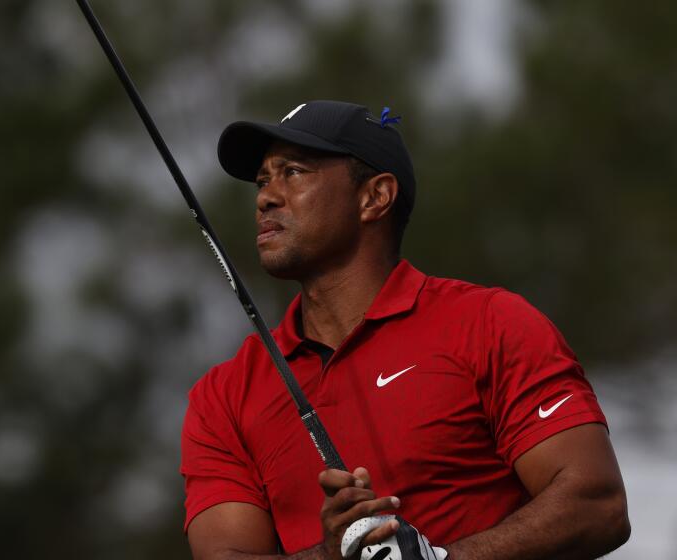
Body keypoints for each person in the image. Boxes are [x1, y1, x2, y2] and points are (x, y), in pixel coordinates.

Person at [180, 100, 630, 560]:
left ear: (375, 197)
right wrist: (332, 556)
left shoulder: (490, 323)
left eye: (293, 172)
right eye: (262, 180)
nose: (265, 197)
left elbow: (597, 504)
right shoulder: (224, 394)